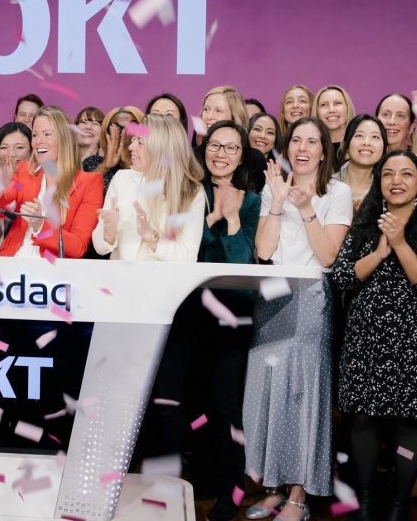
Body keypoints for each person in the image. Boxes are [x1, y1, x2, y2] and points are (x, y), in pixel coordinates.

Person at [140, 120, 259, 521]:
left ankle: (228, 496)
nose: (220, 154)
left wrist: (232, 219)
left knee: (224, 406)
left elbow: (241, 260)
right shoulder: (188, 190)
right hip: (185, 309)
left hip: (230, 314)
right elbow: (181, 249)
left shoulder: (251, 200)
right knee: (176, 400)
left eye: (231, 148)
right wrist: (210, 219)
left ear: (242, 156)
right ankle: (172, 488)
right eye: (214, 146)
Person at [244, 117, 352, 521]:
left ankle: (298, 495)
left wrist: (305, 207)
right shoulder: (273, 187)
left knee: (302, 394)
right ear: (288, 148)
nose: (303, 148)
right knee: (267, 391)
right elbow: (263, 251)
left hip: (310, 297)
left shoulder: (337, 192)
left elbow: (327, 255)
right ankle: (273, 486)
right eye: (297, 141)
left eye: (312, 142)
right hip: (271, 294)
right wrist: (277, 201)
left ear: (324, 151)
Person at [330, 150, 417, 521]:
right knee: (362, 418)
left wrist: (400, 243)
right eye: (388, 173)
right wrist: (380, 252)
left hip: (411, 338)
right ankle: (364, 502)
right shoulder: (365, 221)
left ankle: (398, 505)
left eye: (407, 173)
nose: (396, 180)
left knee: (409, 421)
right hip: (364, 336)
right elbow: (341, 275)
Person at [0, 105, 103, 258]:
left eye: (47, 134)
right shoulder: (25, 171)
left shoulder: (89, 183)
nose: (38, 142)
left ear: (64, 138)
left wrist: (40, 226)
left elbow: (78, 247)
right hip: (12, 261)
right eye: (35, 135)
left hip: (51, 267)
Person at [92, 114, 205, 260]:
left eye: (140, 142)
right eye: (134, 140)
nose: (131, 147)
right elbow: (99, 247)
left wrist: (150, 236)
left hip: (163, 275)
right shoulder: (122, 178)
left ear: (161, 149)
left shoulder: (193, 192)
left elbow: (188, 256)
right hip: (119, 274)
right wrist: (108, 234)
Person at [0, 122, 32, 250]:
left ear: (32, 150)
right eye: (3, 148)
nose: (11, 154)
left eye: (19, 147)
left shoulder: (42, 185)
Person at [83, 106, 144, 195]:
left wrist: (127, 164)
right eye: (116, 128)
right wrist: (105, 166)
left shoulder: (151, 166)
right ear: (106, 134)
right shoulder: (93, 162)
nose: (124, 134)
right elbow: (80, 194)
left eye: (132, 127)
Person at [332, 115, 387, 213]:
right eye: (359, 136)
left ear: (384, 149)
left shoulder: (387, 191)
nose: (367, 142)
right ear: (345, 146)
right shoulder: (326, 186)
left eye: (375, 137)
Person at [312, 85, 355, 159]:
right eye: (324, 105)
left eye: (337, 103)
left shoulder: (360, 145)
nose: (331, 110)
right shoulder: (310, 148)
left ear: (347, 108)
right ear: (317, 111)